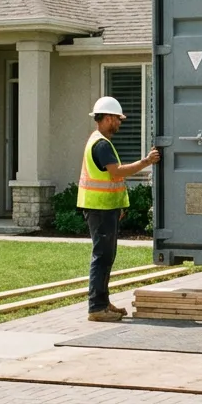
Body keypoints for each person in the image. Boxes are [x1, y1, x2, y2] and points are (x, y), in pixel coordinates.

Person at [78, 96, 160, 322]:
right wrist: (146, 162)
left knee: (106, 257)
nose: (120, 123)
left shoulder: (99, 141)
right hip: (100, 209)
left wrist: (119, 205)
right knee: (102, 257)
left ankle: (102, 303)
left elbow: (110, 178)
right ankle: (96, 307)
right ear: (105, 118)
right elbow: (116, 172)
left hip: (105, 208)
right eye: (117, 118)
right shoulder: (101, 144)